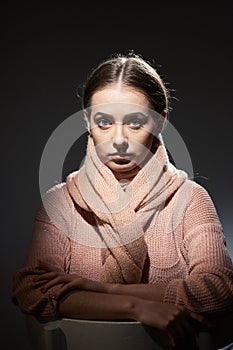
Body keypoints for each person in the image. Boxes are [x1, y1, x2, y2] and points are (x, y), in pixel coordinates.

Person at [12, 53, 233, 349]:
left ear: (160, 121)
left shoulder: (189, 199)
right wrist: (135, 306)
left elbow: (219, 291)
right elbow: (32, 289)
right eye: (104, 122)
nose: (119, 139)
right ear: (88, 122)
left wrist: (102, 290)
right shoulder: (61, 203)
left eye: (134, 122)